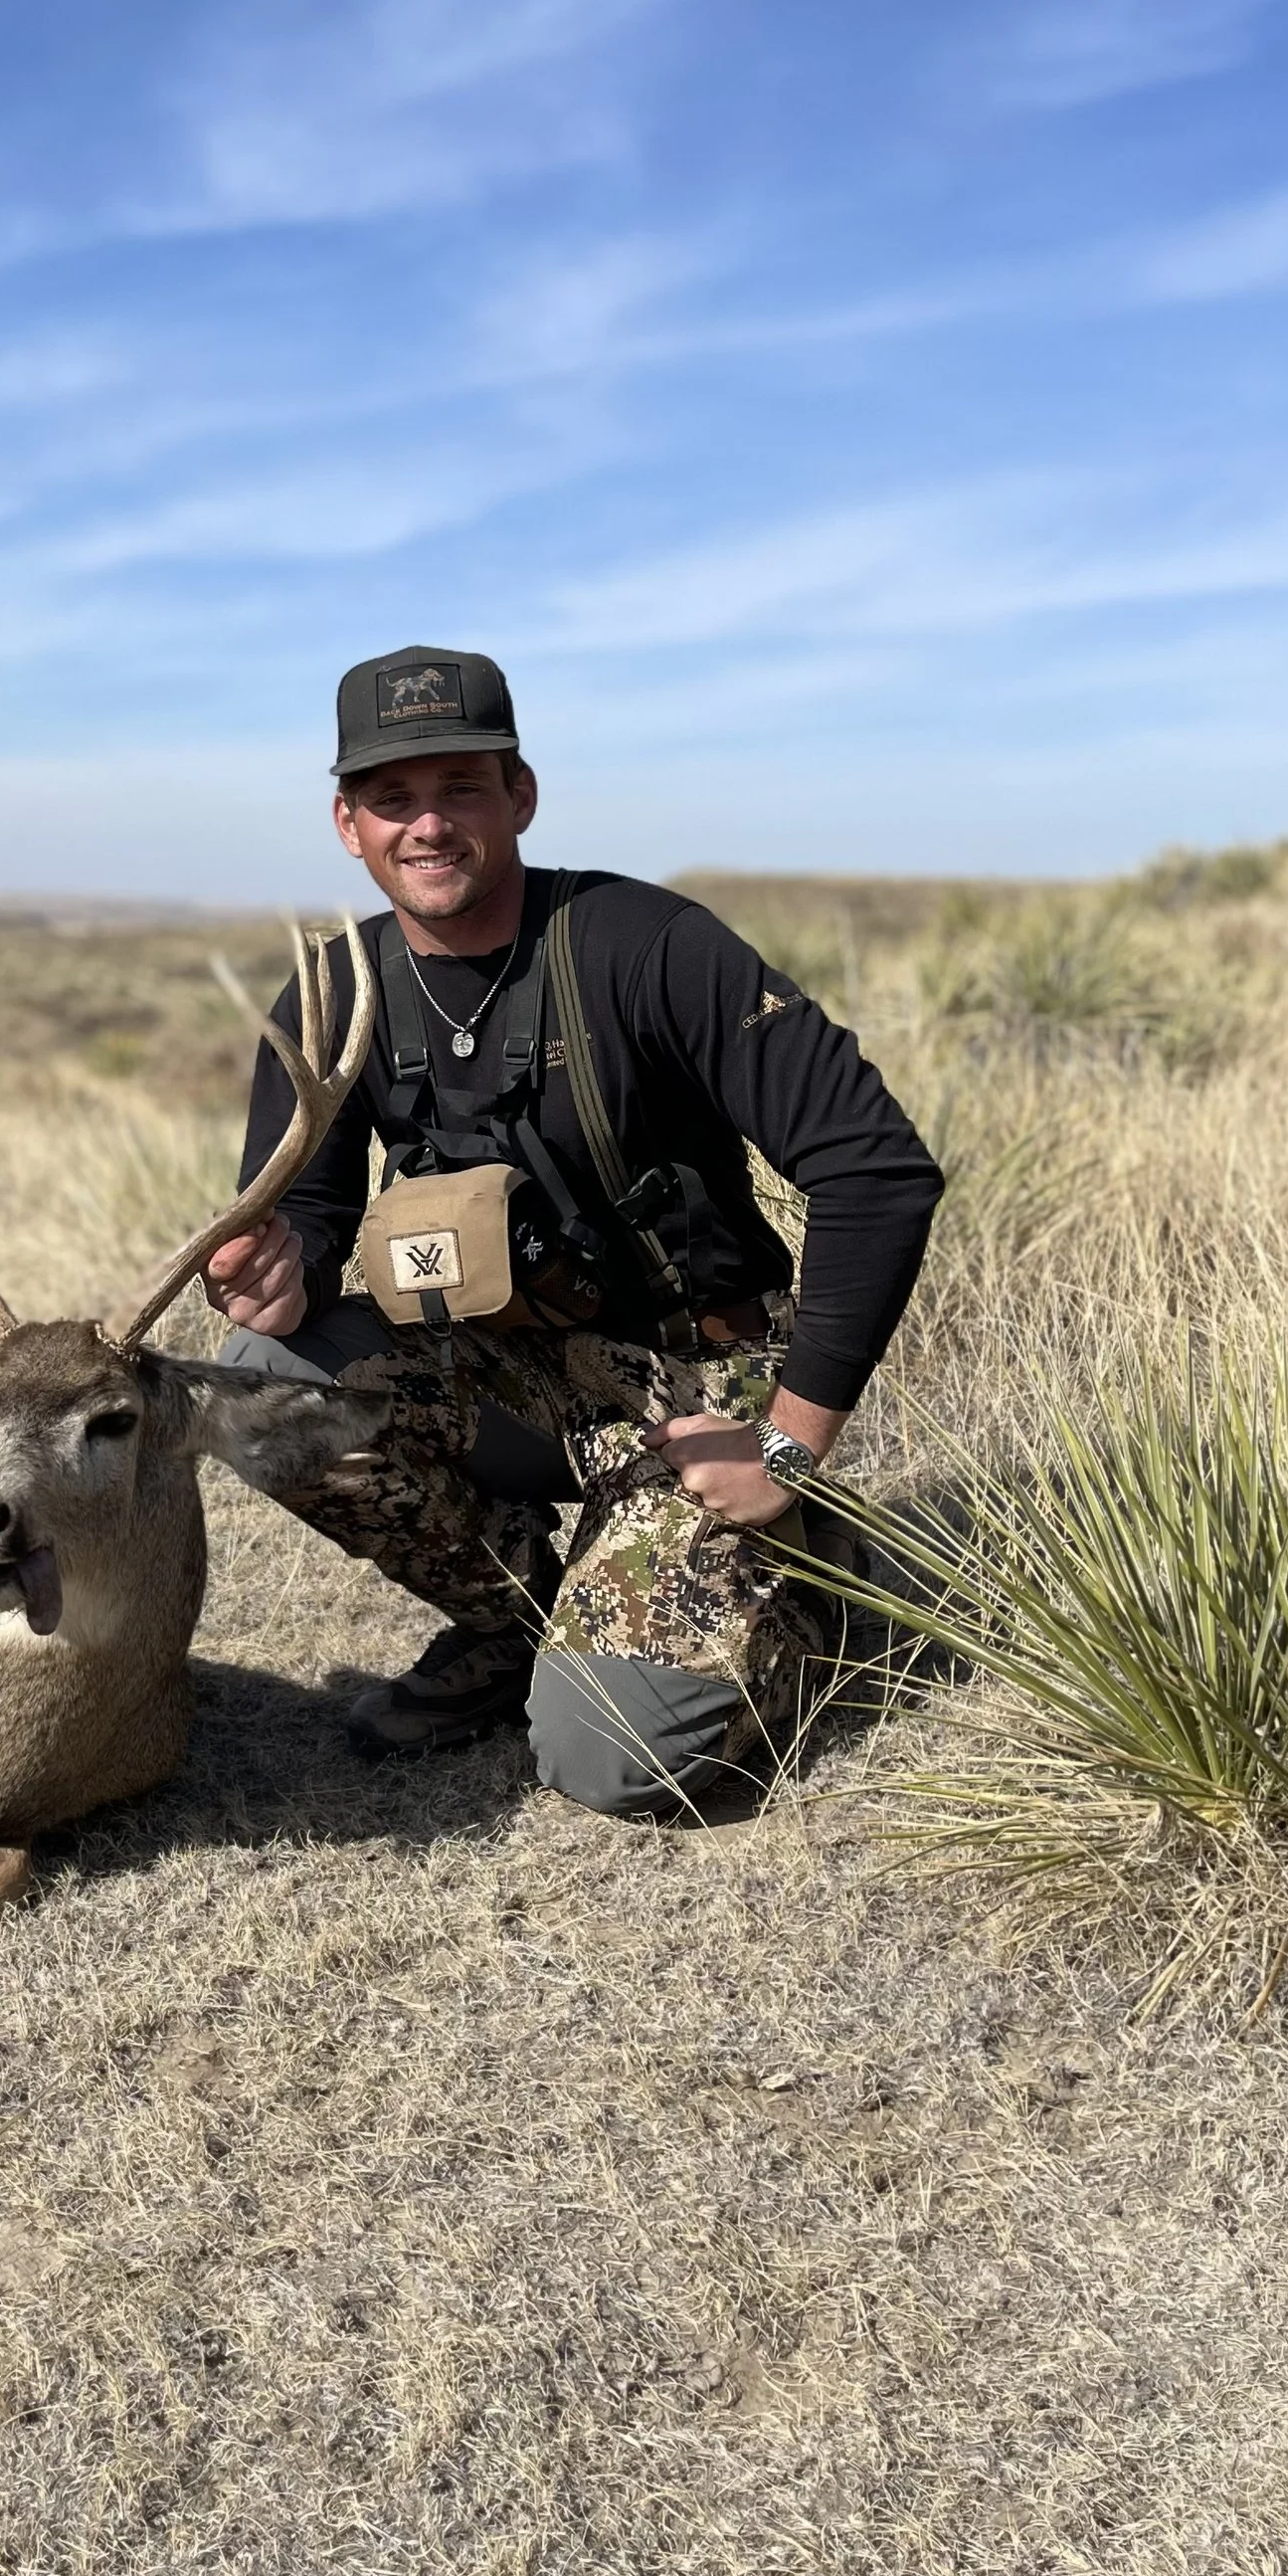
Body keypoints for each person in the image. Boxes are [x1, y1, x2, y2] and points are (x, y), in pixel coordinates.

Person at [207, 645, 944, 1813]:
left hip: (704, 1384)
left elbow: (877, 1173)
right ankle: (508, 1623)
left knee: (606, 1758)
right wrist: (272, 1273)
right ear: (347, 823)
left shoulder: (646, 945)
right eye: (393, 800)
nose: (428, 826)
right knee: (253, 1381)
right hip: (513, 1378)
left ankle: (808, 1564)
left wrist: (789, 1443)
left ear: (520, 796)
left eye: (459, 788)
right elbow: (301, 1219)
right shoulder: (331, 992)